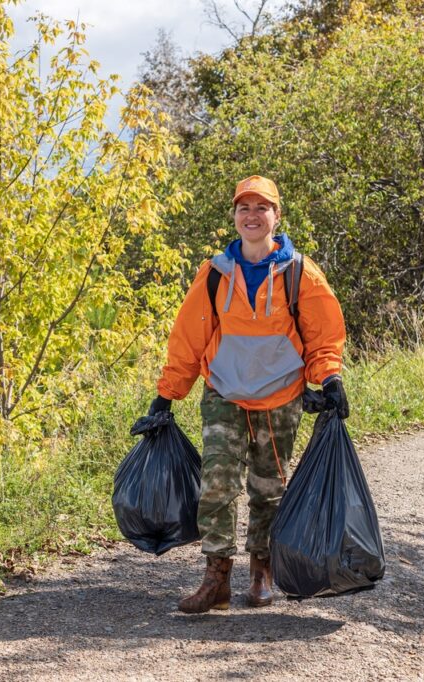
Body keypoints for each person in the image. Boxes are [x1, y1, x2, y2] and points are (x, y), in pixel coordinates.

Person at [141, 174, 349, 613]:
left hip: (280, 398)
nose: (252, 216)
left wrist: (330, 380)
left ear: (277, 216)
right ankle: (216, 578)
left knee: (268, 489)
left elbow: (324, 336)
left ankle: (261, 571)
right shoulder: (216, 273)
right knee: (216, 485)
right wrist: (166, 397)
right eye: (244, 208)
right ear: (235, 217)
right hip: (224, 393)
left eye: (261, 208)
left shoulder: (299, 273)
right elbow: (188, 339)